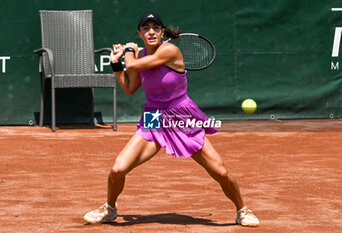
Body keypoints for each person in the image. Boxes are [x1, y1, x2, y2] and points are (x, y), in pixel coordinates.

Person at [83, 11, 259, 227]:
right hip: (154, 116)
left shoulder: (169, 50)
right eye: (146, 28)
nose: (151, 32)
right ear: (140, 33)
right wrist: (116, 65)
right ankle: (110, 208)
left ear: (162, 31)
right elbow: (129, 87)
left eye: (155, 28)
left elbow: (135, 65)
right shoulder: (139, 57)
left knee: (220, 171)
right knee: (118, 168)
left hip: (182, 116)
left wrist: (129, 51)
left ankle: (242, 210)